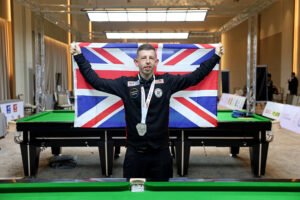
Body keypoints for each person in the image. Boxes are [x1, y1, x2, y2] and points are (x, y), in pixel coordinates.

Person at [70, 43, 224, 181]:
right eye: (143, 58)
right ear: (137, 62)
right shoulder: (125, 85)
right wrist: (79, 56)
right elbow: (96, 82)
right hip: (134, 154)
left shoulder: (167, 83)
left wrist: (216, 56)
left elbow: (195, 77)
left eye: (151, 58)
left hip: (161, 154)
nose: (148, 61)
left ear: (156, 62)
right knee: (134, 195)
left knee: (162, 195)